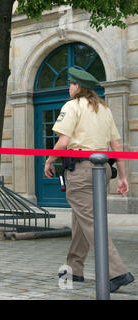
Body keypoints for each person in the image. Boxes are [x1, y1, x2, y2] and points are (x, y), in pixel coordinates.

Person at [44, 67, 135, 293]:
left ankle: (117, 272)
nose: (68, 87)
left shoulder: (72, 106)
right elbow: (116, 146)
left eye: (70, 84)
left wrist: (49, 160)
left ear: (77, 86)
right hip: (102, 168)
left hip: (82, 170)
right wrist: (122, 176)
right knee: (82, 218)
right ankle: (75, 268)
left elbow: (63, 141)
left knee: (90, 221)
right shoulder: (104, 109)